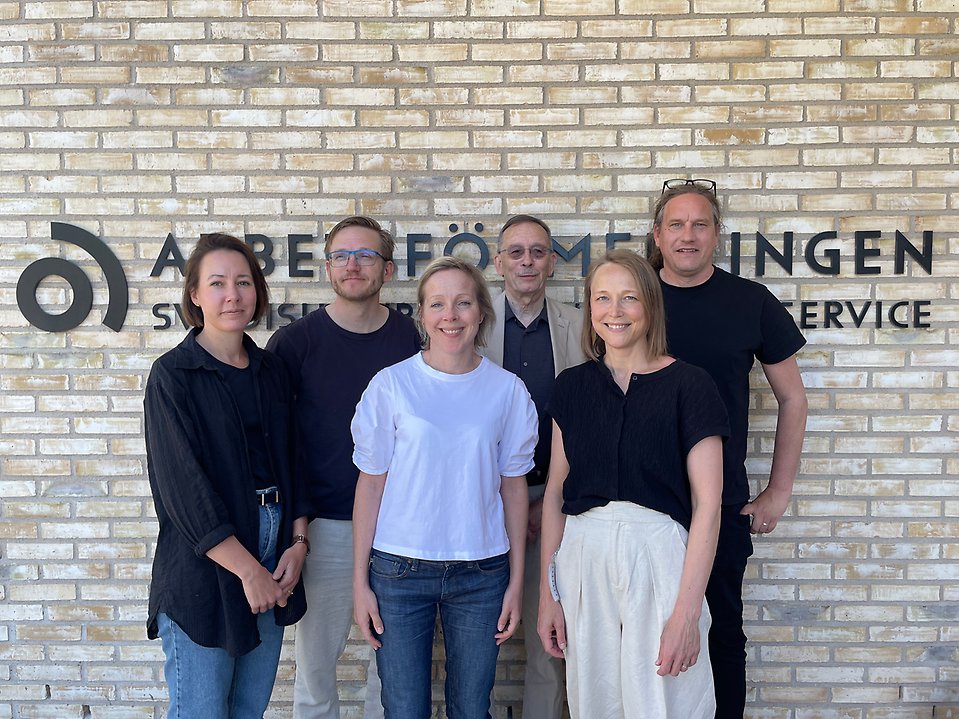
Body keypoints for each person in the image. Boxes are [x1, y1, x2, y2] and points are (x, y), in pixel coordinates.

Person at [538, 249, 729, 719]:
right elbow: (556, 494)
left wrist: (686, 614)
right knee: (595, 701)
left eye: (628, 298)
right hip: (585, 554)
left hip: (660, 556)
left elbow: (709, 504)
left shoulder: (690, 384)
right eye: (602, 298)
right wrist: (549, 595)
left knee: (665, 698)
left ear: (650, 304)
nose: (614, 311)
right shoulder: (573, 386)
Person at [351, 256, 537, 719]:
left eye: (462, 303)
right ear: (422, 315)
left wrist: (516, 581)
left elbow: (514, 489)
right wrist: (360, 583)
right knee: (404, 708)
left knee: (472, 708)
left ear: (481, 313)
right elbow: (370, 486)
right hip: (397, 572)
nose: (450, 315)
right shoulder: (391, 386)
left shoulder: (508, 391)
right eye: (437, 304)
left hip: (481, 573)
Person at [651, 179, 808, 718]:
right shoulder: (633, 298)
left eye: (700, 224)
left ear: (717, 234)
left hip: (717, 510)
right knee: (638, 641)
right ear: (657, 234)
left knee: (720, 640)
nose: (687, 235)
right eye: (676, 224)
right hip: (639, 506)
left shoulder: (750, 302)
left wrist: (778, 491)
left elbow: (792, 398)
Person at [144, 233, 309, 719]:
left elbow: (295, 462)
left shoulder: (272, 370)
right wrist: (247, 570)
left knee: (247, 710)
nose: (232, 294)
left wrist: (298, 544)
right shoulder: (173, 375)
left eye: (242, 282)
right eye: (217, 283)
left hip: (276, 550)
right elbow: (184, 492)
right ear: (195, 295)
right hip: (207, 565)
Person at [266, 216, 421, 719]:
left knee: (396, 671)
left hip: (402, 530)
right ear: (328, 267)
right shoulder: (294, 345)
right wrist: (297, 531)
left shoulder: (411, 339)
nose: (353, 265)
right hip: (327, 529)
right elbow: (278, 446)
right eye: (341, 255)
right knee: (315, 671)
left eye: (366, 255)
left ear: (389, 268)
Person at [485, 214, 585, 719]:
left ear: (551, 261)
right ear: (498, 261)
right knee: (478, 641)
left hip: (557, 505)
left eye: (538, 251)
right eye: (516, 251)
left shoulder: (580, 326)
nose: (527, 261)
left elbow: (592, 420)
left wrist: (549, 502)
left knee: (551, 640)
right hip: (480, 510)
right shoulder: (469, 324)